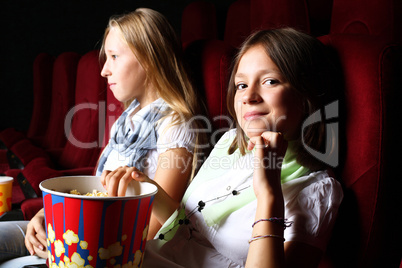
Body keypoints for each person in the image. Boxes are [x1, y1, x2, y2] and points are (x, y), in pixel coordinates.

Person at [0, 7, 205, 266]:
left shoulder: (176, 124)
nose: (104, 70)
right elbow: (94, 189)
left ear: (149, 58)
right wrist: (47, 214)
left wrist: (61, 240)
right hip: (78, 230)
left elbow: (155, 232)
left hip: (105, 248)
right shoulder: (127, 117)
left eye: (114, 57)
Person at [127, 27, 343, 267]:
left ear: (307, 96)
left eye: (270, 81)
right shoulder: (229, 143)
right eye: (241, 85)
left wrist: (268, 192)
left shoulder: (317, 191)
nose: (248, 96)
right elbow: (186, 232)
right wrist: (148, 188)